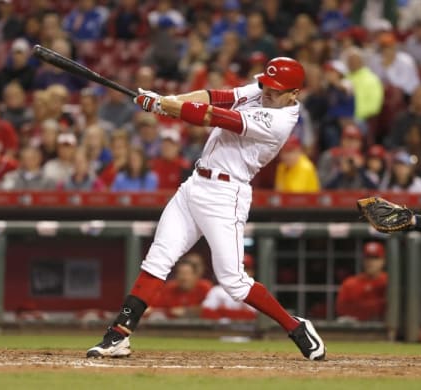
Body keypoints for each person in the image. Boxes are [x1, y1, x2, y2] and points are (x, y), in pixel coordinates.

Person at [87, 57, 326, 361]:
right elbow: (214, 97)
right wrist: (166, 101)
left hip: (227, 195)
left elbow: (214, 116)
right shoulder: (259, 92)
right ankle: (117, 335)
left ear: (294, 94)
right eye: (266, 84)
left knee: (234, 282)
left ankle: (295, 326)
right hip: (195, 185)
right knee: (158, 259)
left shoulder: (280, 122)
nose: (266, 92)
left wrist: (164, 106)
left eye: (275, 90)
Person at [336, 241, 387, 321]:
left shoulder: (389, 282)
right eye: (368, 257)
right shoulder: (350, 283)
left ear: (383, 261)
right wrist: (377, 305)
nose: (371, 262)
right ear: (362, 260)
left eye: (375, 258)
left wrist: (359, 307)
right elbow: (341, 309)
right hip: (358, 330)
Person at [146, 258, 212, 320]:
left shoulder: (204, 287)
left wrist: (187, 311)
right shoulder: (170, 288)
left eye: (187, 274)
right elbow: (154, 307)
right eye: (180, 273)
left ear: (195, 275)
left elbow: (212, 309)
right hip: (173, 329)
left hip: (201, 328)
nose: (183, 278)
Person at [201, 253, 257, 321]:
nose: (241, 272)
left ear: (252, 272)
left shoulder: (255, 292)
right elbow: (205, 312)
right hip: (220, 331)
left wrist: (222, 312)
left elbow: (253, 316)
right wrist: (238, 314)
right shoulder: (217, 290)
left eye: (245, 269)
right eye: (237, 269)